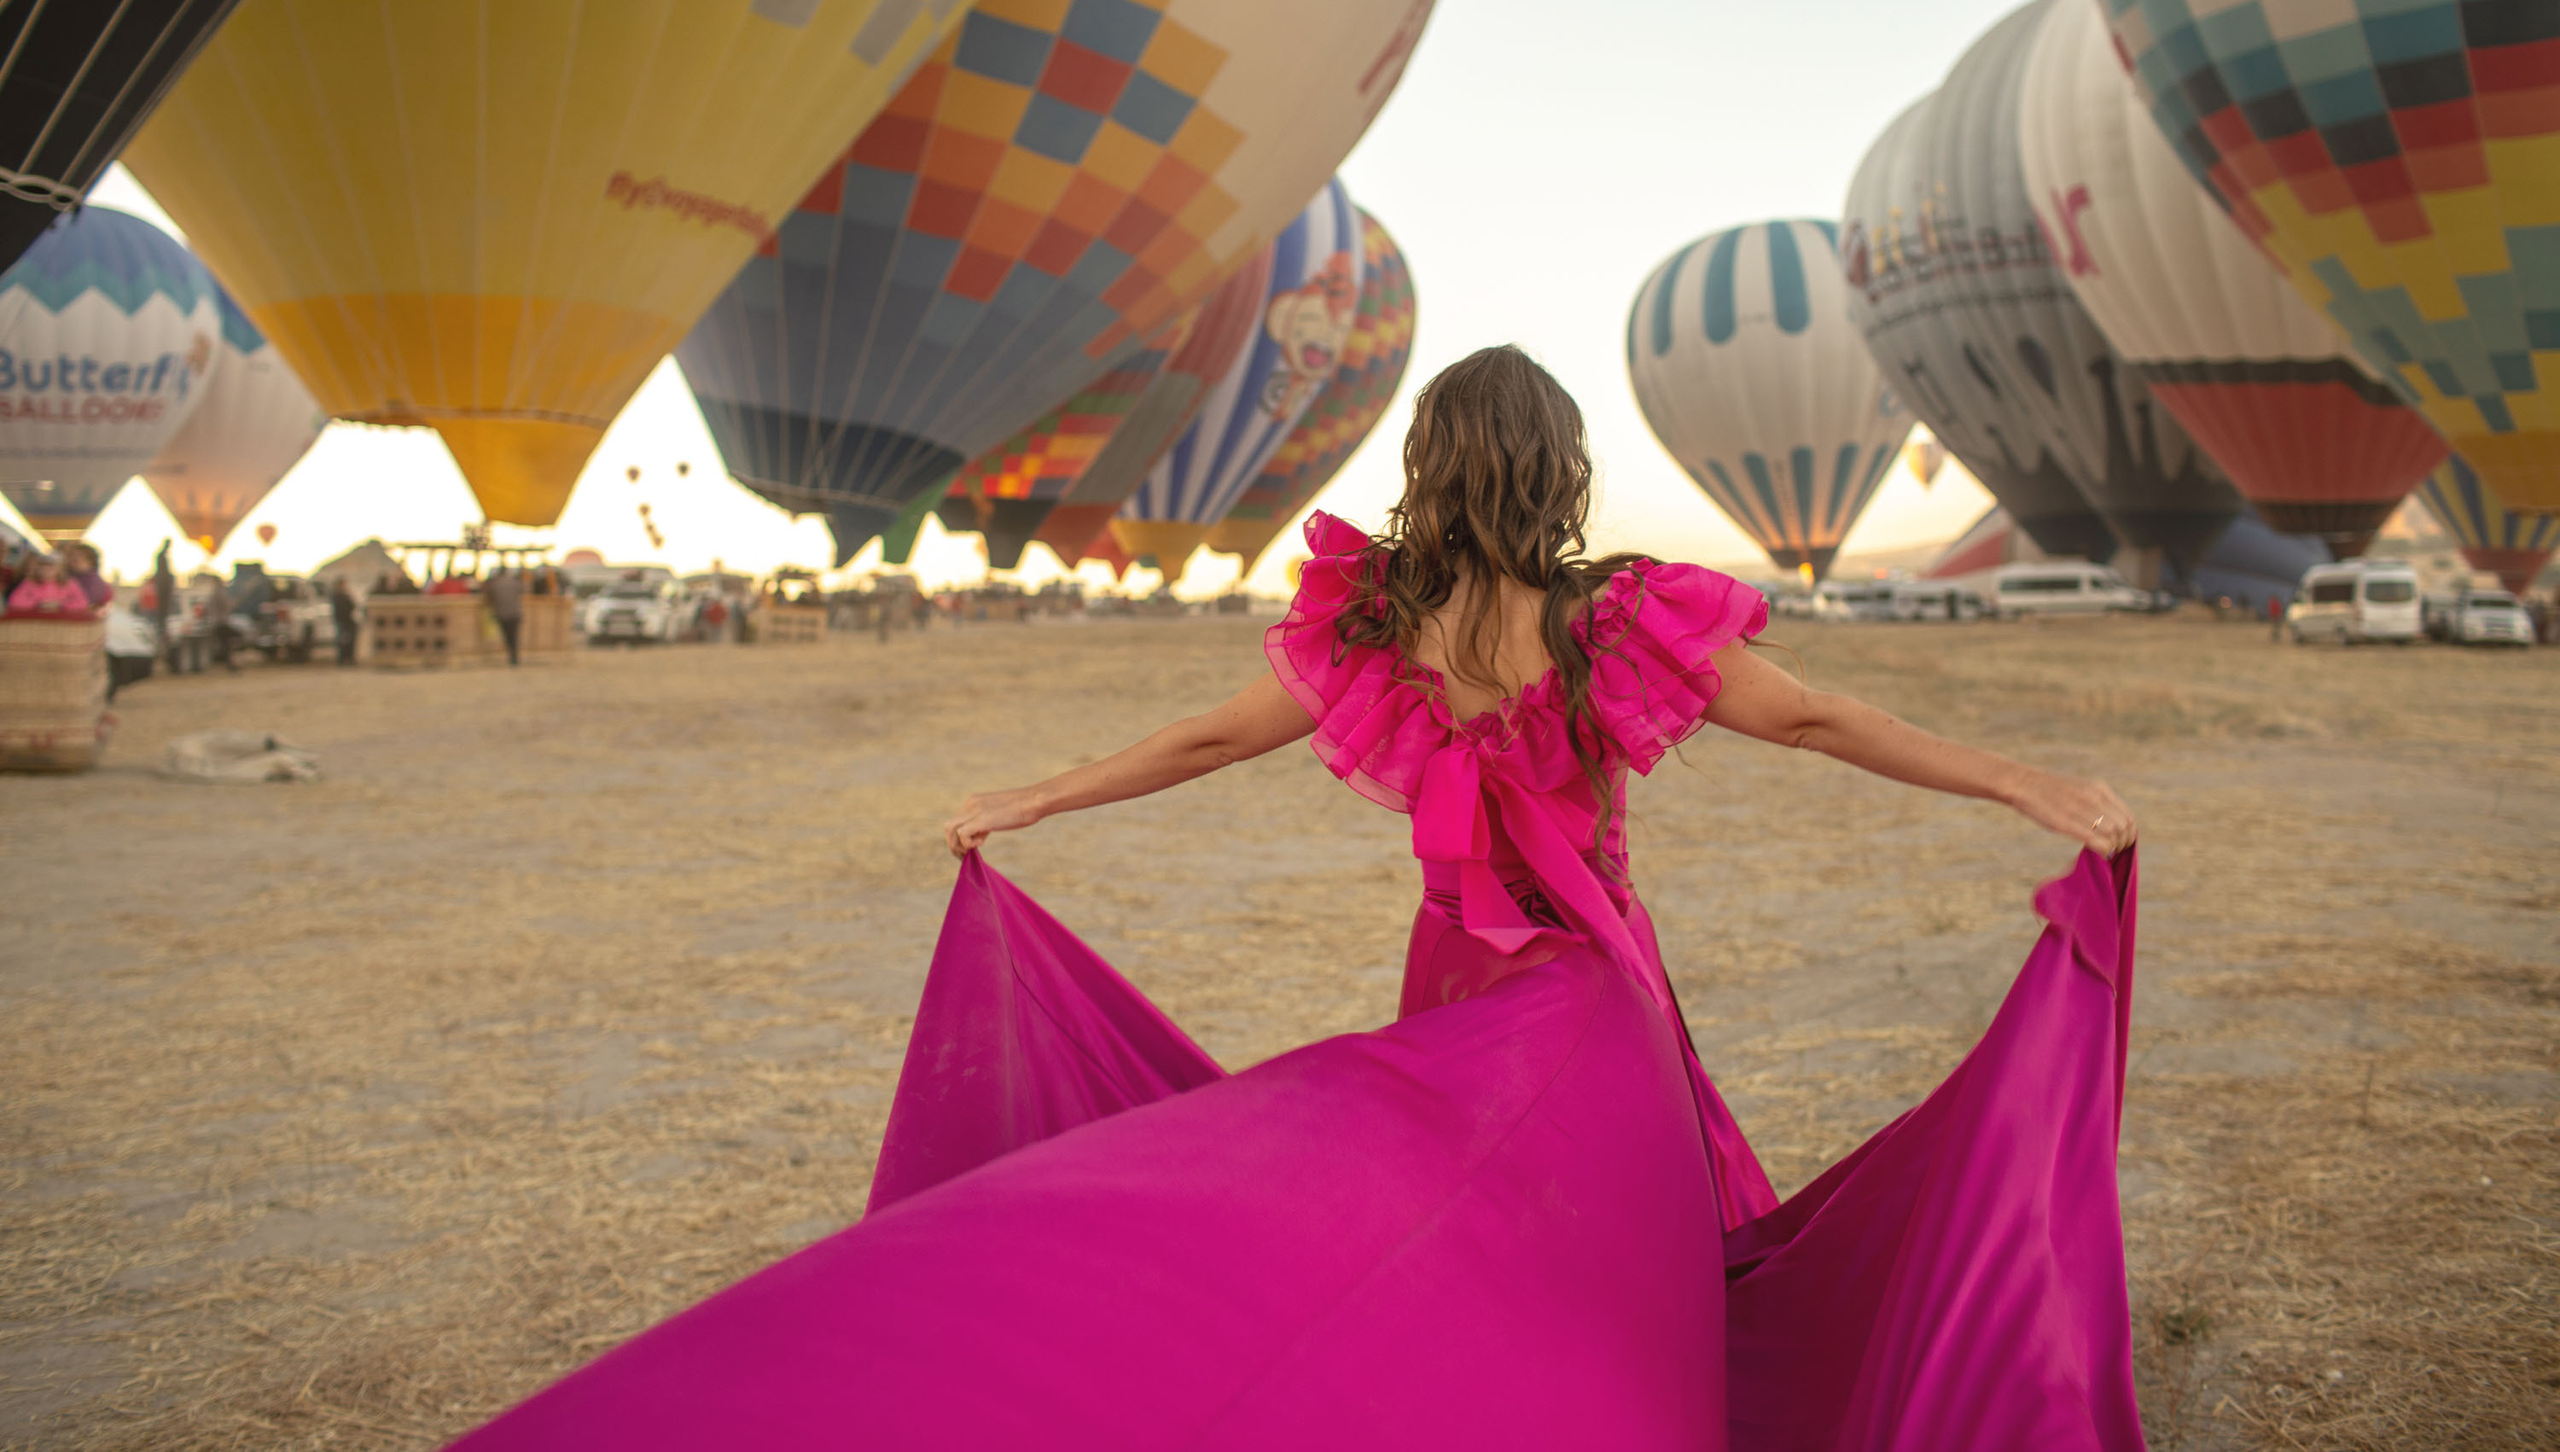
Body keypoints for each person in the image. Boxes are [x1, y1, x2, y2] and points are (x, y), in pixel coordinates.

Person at [454, 348, 2148, 1450]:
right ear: (1558, 474)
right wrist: (2026, 781)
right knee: (1616, 1238)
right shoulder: (1609, 622)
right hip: (1593, 994)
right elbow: (1821, 715)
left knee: (1455, 1224)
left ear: (1427, 465)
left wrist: (1039, 795)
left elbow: (1205, 732)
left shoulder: (1376, 632)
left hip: (1454, 990)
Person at [4, 551, 88, 615]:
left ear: (60, 569)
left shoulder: (69, 583)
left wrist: (60, 605)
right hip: (35, 623)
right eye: (43, 566)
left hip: (63, 624)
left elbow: (82, 602)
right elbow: (14, 601)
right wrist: (38, 604)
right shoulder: (29, 583)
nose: (47, 570)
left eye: (51, 567)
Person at [484, 563, 525, 666]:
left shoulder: (494, 583)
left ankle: (511, 656)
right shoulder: (514, 582)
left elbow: (488, 596)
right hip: (515, 612)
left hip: (502, 613)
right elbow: (523, 590)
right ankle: (514, 656)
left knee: (507, 635)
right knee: (514, 635)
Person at [331, 578, 360, 666]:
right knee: (343, 641)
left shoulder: (344, 595)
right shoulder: (337, 596)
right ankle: (343, 659)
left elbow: (353, 605)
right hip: (342, 621)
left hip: (347, 621)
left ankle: (348, 658)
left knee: (348, 641)